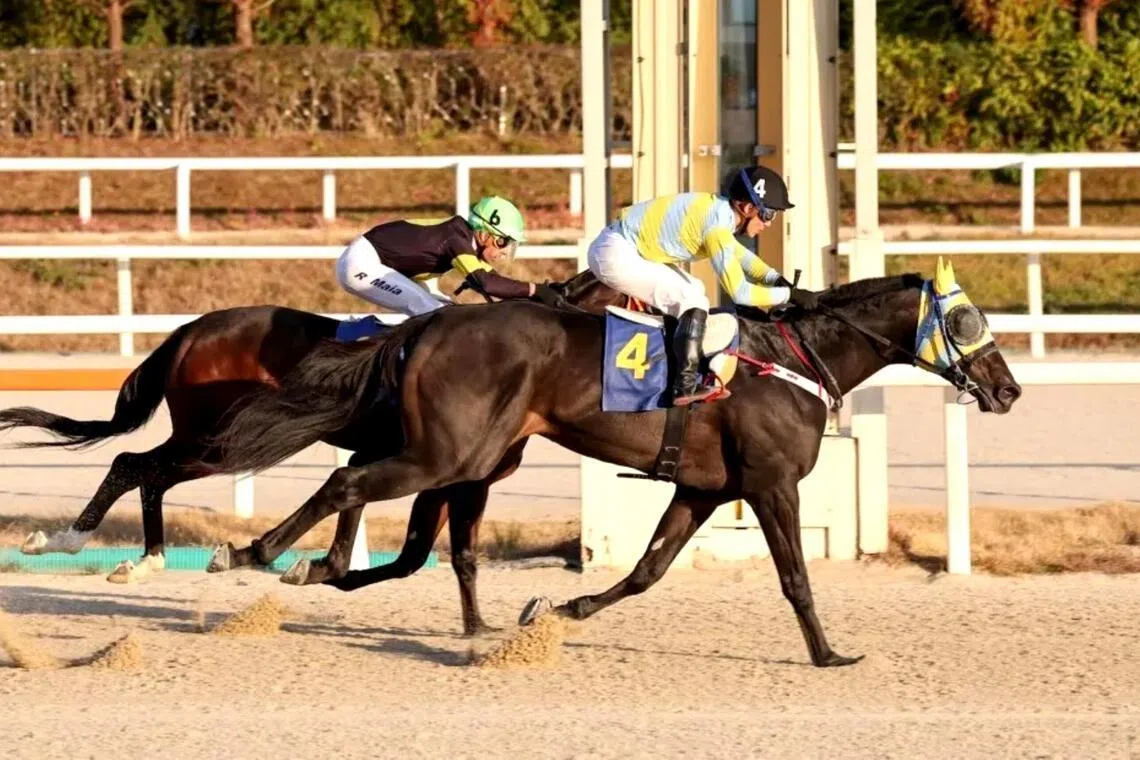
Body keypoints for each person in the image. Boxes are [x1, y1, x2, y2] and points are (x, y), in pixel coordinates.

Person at [586, 165, 818, 406]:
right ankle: (683, 385)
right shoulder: (716, 227)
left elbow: (741, 255)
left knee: (696, 290)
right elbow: (741, 294)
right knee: (690, 300)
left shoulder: (720, 213)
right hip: (616, 253)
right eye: (768, 214)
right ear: (747, 208)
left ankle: (675, 366)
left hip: (623, 248)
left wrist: (774, 279)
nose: (769, 223)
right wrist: (787, 294)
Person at [335, 196, 564, 317]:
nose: (504, 251)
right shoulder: (457, 240)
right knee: (428, 311)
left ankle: (362, 335)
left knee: (447, 311)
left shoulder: (462, 237)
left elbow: (489, 281)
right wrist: (535, 290)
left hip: (382, 263)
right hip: (361, 264)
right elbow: (486, 282)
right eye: (503, 241)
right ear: (483, 233)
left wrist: (530, 292)